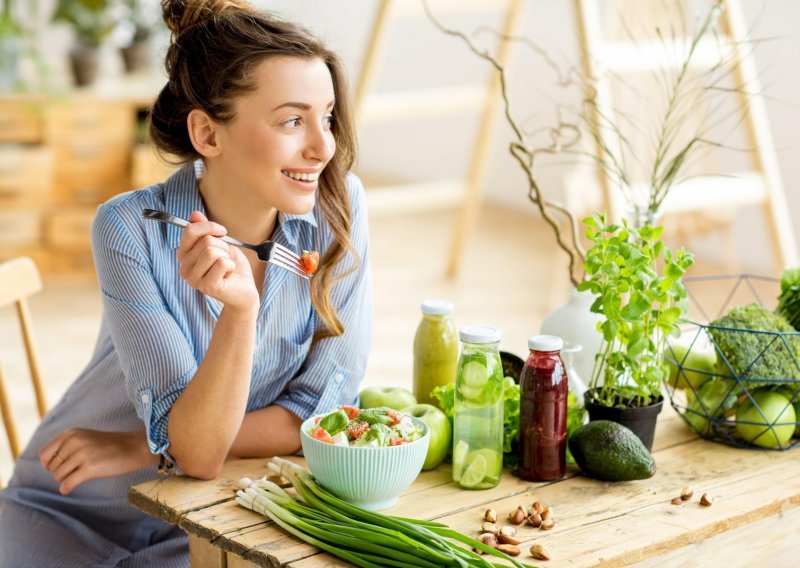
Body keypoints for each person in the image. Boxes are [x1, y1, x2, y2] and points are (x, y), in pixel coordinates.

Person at [0, 0, 372, 565]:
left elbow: (320, 415)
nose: (322, 148)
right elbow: (197, 450)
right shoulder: (129, 227)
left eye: (325, 117)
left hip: (210, 515)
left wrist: (141, 446)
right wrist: (237, 317)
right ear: (207, 133)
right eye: (292, 120)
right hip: (69, 508)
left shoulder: (340, 210)